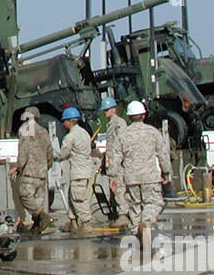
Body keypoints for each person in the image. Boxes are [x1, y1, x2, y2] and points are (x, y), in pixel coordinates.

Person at [105, 100, 171, 255]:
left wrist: (113, 178)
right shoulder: (153, 132)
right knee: (154, 202)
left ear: (129, 117)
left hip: (131, 177)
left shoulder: (123, 135)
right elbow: (163, 154)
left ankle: (137, 233)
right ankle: (146, 222)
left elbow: (115, 158)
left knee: (134, 205)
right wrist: (166, 172)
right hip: (150, 176)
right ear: (143, 115)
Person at [10, 106, 54, 234]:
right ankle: (37, 226)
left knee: (25, 197)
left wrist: (17, 168)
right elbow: (50, 152)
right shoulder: (44, 132)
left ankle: (42, 216)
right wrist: (47, 166)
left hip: (30, 173)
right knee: (38, 201)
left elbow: (23, 153)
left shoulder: (25, 131)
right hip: (42, 173)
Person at [56, 107, 95, 235]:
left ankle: (85, 223)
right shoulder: (84, 133)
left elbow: (63, 154)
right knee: (71, 196)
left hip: (78, 172)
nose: (63, 124)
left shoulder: (70, 137)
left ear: (69, 121)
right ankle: (73, 222)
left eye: (64, 121)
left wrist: (52, 155)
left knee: (78, 198)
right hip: (85, 170)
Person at [99, 96, 130, 227]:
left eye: (107, 110)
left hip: (118, 163)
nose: (104, 112)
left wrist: (117, 162)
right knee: (114, 189)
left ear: (113, 109)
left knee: (119, 188)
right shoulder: (110, 124)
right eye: (104, 110)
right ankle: (116, 213)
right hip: (112, 163)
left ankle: (123, 215)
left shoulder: (119, 123)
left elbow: (121, 144)